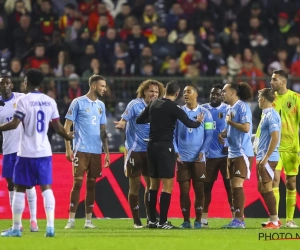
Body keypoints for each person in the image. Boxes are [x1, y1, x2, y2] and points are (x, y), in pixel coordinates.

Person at [0, 69, 74, 237]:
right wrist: (67, 136)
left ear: (28, 82)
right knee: (46, 188)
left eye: (24, 81)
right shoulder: (50, 101)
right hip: (44, 151)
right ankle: (50, 227)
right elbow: (58, 128)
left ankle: (16, 228)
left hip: (25, 152)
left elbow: (14, 124)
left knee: (19, 189)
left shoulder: (23, 100)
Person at [136, 80, 204, 229]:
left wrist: (155, 119)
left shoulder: (153, 104)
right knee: (167, 186)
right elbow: (189, 123)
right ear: (177, 93)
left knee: (153, 185)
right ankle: (163, 222)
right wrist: (198, 121)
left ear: (164, 90)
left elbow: (139, 120)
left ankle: (152, 220)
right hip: (165, 147)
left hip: (151, 147)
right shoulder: (174, 108)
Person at [114, 79, 165, 228]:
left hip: (151, 151)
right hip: (134, 150)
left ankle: (151, 219)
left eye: (156, 92)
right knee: (134, 186)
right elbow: (125, 118)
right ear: (144, 92)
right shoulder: (135, 104)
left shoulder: (159, 107)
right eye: (151, 91)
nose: (154, 94)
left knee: (151, 186)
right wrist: (122, 123)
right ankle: (136, 221)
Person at [64, 75, 110, 229]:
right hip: (80, 149)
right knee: (77, 182)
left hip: (96, 151)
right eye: (102, 86)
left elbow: (103, 131)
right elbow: (67, 127)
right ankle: (71, 220)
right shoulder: (78, 102)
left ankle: (88, 221)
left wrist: (107, 153)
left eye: (105, 86)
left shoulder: (101, 106)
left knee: (91, 184)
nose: (104, 89)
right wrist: (68, 148)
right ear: (94, 86)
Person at [0, 76, 39, 233]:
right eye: (1, 84)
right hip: (8, 149)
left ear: (11, 85)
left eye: (7, 83)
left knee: (28, 184)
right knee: (11, 186)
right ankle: (18, 223)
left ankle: (33, 221)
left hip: (24, 149)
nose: (4, 86)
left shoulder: (21, 98)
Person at [175, 85, 214, 229]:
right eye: (184, 92)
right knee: (184, 191)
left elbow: (209, 135)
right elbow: (173, 134)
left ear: (196, 95)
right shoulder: (178, 112)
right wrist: (176, 151)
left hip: (199, 158)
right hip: (182, 158)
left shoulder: (206, 113)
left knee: (199, 190)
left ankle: (198, 221)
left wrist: (203, 151)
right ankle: (186, 221)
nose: (185, 94)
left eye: (188, 92)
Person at [219, 82, 254, 229]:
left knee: (237, 185)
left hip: (242, 152)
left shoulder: (242, 106)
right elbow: (231, 128)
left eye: (224, 91)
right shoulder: (229, 108)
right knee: (233, 187)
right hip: (232, 152)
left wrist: (230, 122)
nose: (222, 93)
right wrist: (223, 134)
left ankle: (239, 220)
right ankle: (236, 219)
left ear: (233, 92)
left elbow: (246, 128)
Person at [269, 70, 300, 228]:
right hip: (275, 148)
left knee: (291, 183)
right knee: (274, 180)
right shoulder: (270, 98)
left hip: (292, 148)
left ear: (283, 81)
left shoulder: (296, 98)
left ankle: (289, 220)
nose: (271, 82)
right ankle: (275, 219)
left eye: (274, 79)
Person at [201, 84, 234, 228]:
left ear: (223, 95)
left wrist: (226, 141)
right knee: (206, 188)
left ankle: (236, 217)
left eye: (217, 94)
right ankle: (203, 219)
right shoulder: (203, 109)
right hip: (209, 156)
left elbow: (234, 128)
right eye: (212, 93)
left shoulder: (228, 109)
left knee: (230, 187)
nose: (214, 96)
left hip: (225, 154)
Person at [254, 88, 281, 229]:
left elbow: (275, 137)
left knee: (267, 187)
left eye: (259, 98)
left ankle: (275, 221)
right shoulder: (266, 115)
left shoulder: (271, 115)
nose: (258, 100)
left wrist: (266, 157)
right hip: (262, 156)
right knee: (262, 188)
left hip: (268, 158)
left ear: (263, 99)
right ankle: (274, 218)